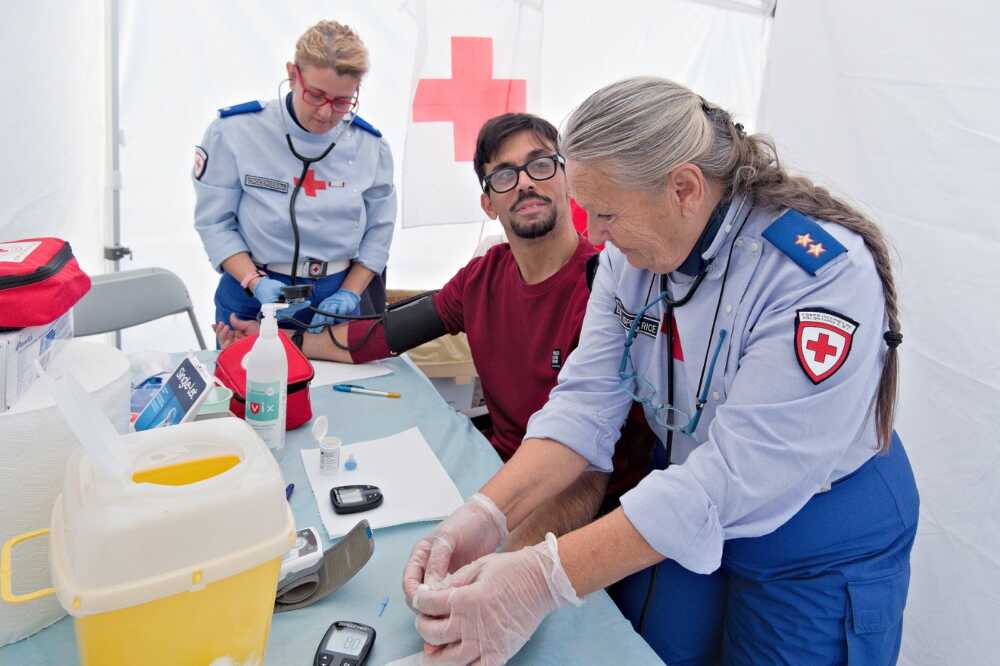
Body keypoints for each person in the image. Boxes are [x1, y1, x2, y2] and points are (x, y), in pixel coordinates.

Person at [404, 76, 920, 666]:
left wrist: (538, 580)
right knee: (648, 650)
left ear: (684, 187)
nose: (593, 235)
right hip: (682, 495)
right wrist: (485, 516)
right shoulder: (631, 255)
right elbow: (583, 402)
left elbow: (737, 475)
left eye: (606, 214)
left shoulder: (816, 274)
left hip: (815, 532)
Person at [216, 112, 655, 549]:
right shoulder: (484, 277)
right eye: (504, 174)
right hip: (493, 472)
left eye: (540, 164)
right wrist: (275, 337)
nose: (524, 182)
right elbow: (380, 336)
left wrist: (505, 562)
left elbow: (586, 469)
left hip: (579, 505)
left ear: (567, 179)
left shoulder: (606, 287)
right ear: (488, 203)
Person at [193, 20, 396, 342]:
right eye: (315, 95)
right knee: (246, 386)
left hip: (336, 293)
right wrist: (253, 281)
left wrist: (350, 294)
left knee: (337, 389)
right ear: (292, 74)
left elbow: (379, 234)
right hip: (253, 290)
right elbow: (215, 223)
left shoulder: (370, 147)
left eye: (343, 101)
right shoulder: (234, 132)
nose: (326, 114)